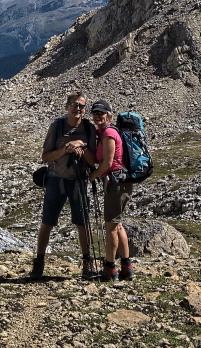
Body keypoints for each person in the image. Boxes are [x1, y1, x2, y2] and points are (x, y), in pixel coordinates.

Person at [31, 92, 98, 280]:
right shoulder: (57, 126)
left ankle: (87, 263)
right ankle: (39, 262)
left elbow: (93, 160)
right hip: (56, 179)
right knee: (47, 221)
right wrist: (66, 149)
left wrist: (81, 146)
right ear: (67, 107)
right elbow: (46, 156)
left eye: (81, 106)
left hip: (79, 180)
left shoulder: (89, 128)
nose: (78, 109)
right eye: (74, 105)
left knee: (82, 223)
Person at [88, 99, 135, 281]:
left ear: (108, 115)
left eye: (101, 113)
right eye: (95, 113)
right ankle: (127, 267)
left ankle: (110, 269)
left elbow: (107, 163)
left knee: (110, 228)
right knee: (117, 225)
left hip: (116, 184)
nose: (97, 116)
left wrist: (92, 176)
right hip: (120, 183)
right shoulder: (105, 132)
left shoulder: (108, 133)